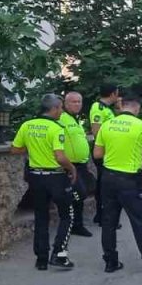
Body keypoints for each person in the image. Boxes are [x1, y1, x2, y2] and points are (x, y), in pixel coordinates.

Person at [93, 95, 142, 275]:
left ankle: (110, 262)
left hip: (108, 178)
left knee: (109, 221)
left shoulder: (107, 125)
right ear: (137, 108)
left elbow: (97, 154)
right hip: (130, 180)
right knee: (140, 221)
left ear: (122, 106)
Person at [10, 94, 77, 271]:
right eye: (60, 108)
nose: (61, 111)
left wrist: (33, 148)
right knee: (67, 215)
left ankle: (41, 259)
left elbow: (15, 149)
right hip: (55, 177)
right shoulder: (56, 129)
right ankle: (59, 254)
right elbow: (60, 157)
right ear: (54, 109)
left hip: (36, 177)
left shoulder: (27, 125)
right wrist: (72, 169)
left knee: (41, 216)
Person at [59, 92, 94, 237]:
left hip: (81, 164)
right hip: (70, 165)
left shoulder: (75, 119)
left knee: (84, 192)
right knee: (78, 194)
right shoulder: (61, 118)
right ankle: (75, 225)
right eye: (73, 102)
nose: (77, 104)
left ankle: (75, 223)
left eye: (79, 102)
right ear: (65, 104)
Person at [89, 85, 120, 226]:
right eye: (117, 93)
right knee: (105, 184)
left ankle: (101, 215)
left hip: (109, 150)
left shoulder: (107, 109)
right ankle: (103, 217)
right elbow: (96, 132)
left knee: (105, 183)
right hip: (104, 151)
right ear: (113, 93)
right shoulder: (98, 108)